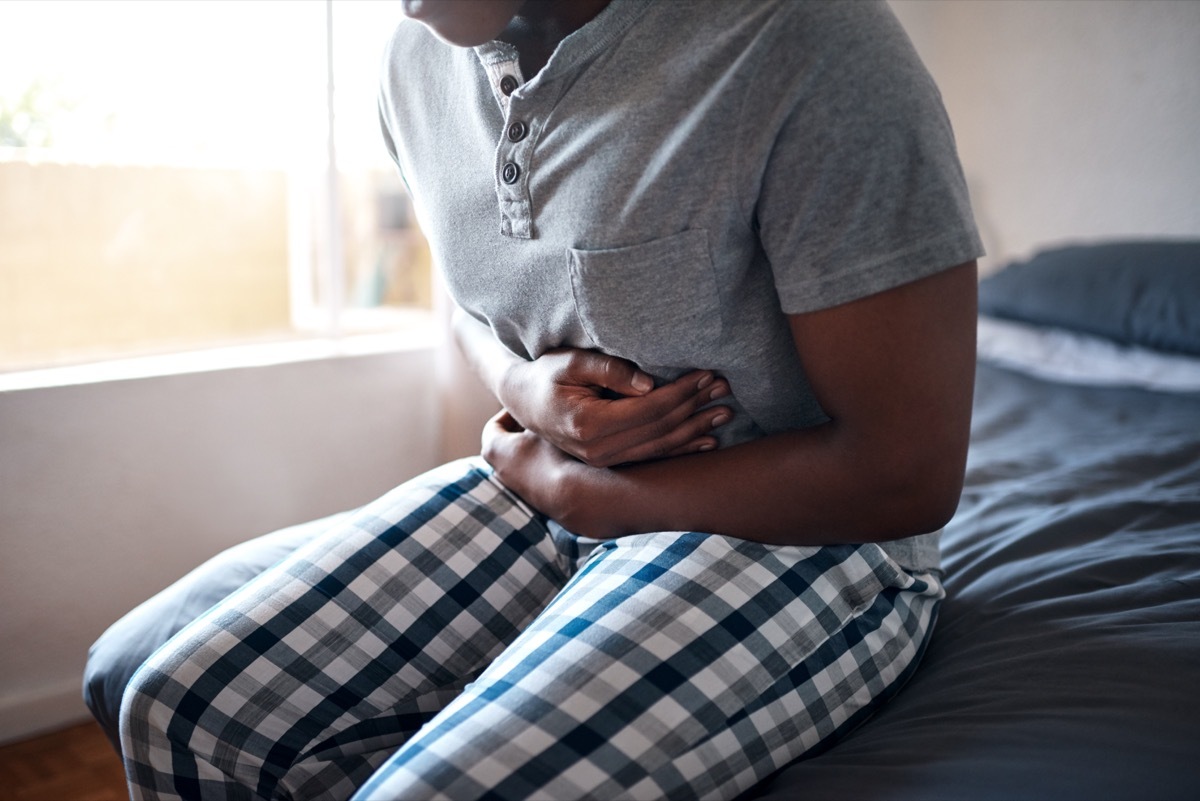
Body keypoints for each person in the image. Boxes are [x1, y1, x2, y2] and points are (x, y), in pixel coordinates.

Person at [86, 0, 983, 798]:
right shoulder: (413, 65)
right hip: (551, 489)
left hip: (805, 539)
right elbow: (472, 295)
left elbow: (906, 471)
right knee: (182, 709)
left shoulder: (803, 43)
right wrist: (521, 385)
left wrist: (581, 494)